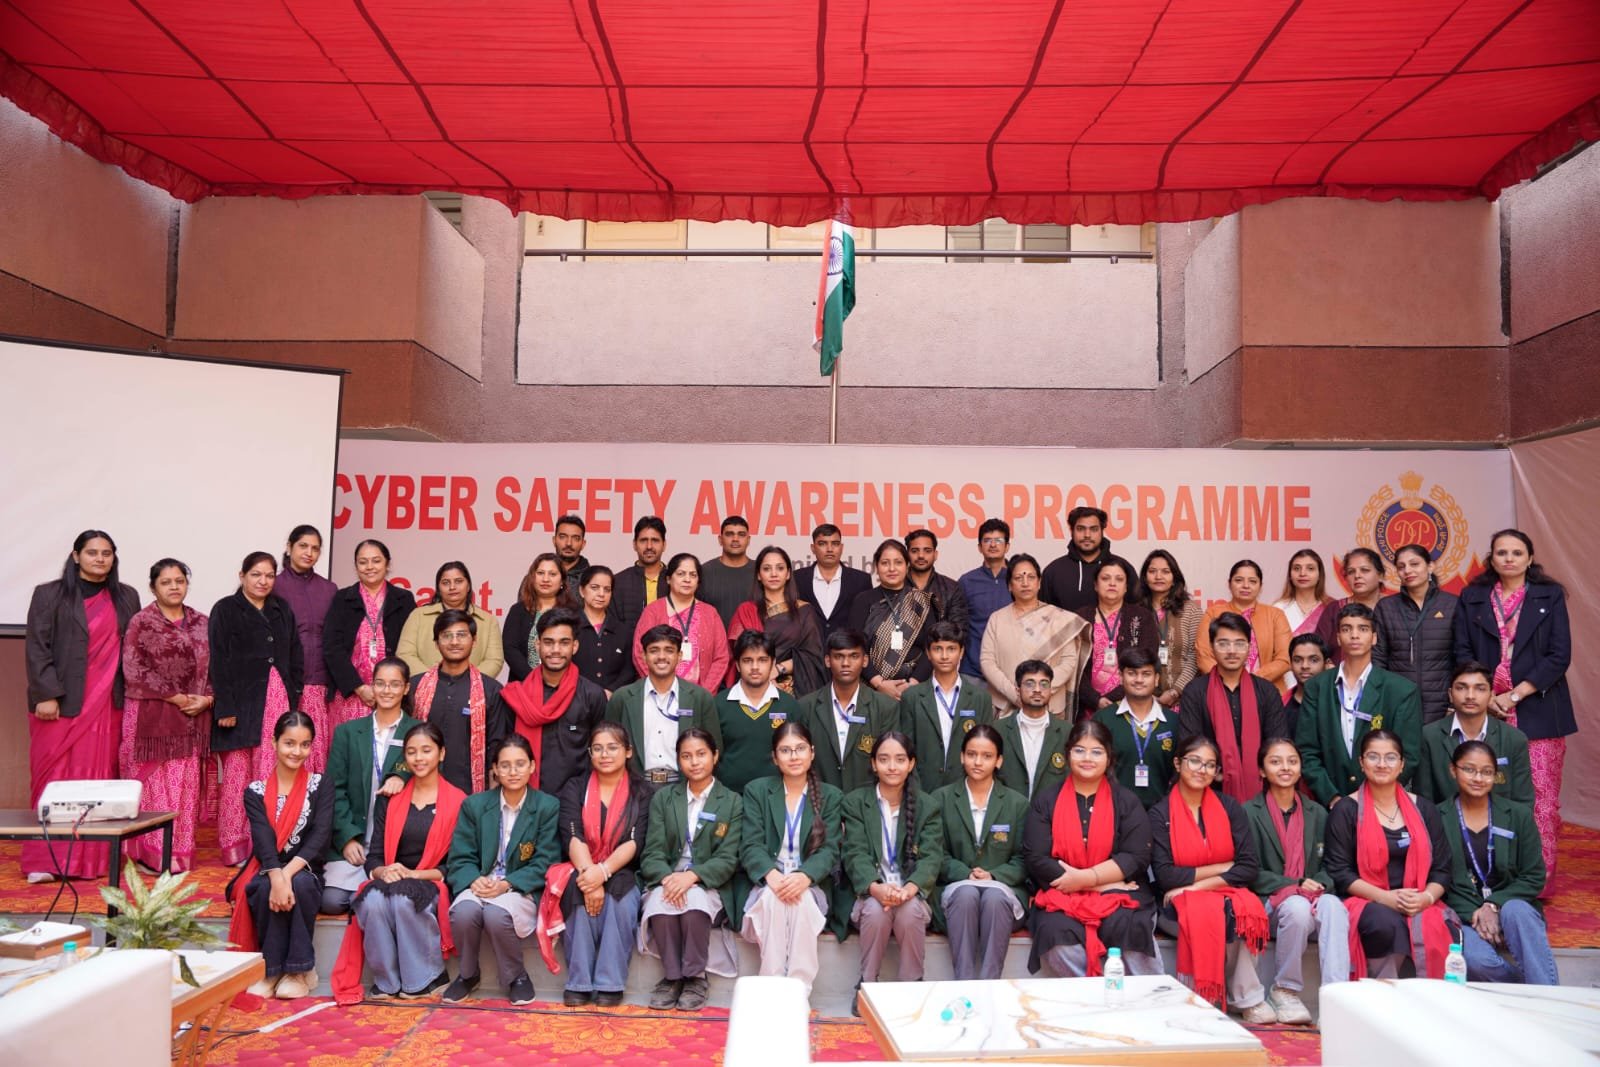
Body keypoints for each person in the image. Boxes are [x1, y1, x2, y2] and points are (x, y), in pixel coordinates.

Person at [1452, 528, 1572, 881]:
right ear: (1491, 559)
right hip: (1483, 708)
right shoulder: (1473, 597)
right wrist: (1485, 694)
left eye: (1516, 553)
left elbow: (1559, 655)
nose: (1508, 559)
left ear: (1530, 558)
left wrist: (1515, 694)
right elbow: (1461, 649)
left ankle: (1537, 877)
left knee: (1541, 799)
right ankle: (1491, 875)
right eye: (1501, 552)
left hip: (1538, 707)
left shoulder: (1549, 595)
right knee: (1489, 791)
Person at [24, 529, 140, 881]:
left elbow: (134, 650)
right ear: (76, 556)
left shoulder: (126, 597)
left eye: (106, 553)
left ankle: (92, 862)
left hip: (108, 703)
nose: (100, 559)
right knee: (54, 780)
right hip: (59, 703)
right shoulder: (49, 594)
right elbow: (37, 647)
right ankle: (46, 861)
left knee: (98, 781)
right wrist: (45, 694)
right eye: (92, 552)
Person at [330, 720, 466, 1002]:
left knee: (404, 900)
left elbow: (456, 865)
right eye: (412, 752)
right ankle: (387, 980)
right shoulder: (391, 798)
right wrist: (383, 871)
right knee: (372, 900)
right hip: (392, 876)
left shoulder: (458, 801)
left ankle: (428, 976)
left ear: (441, 753)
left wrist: (413, 875)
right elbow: (374, 856)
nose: (419, 758)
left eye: (426, 750)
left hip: (430, 880)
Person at [1022, 719, 1159, 978]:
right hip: (1062, 893)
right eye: (1079, 750)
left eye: (1096, 752)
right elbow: (1036, 857)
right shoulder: (1047, 800)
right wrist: (1098, 885)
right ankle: (1093, 991)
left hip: (1118, 895)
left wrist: (1086, 879)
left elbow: (1137, 856)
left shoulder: (1126, 801)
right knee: (1054, 932)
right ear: (1067, 754)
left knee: (1130, 924)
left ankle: (1148, 995)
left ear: (1109, 758)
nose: (1087, 758)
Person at [1150, 736, 1273, 1021]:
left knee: (1242, 911)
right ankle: (1212, 994)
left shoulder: (1229, 808)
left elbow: (1248, 867)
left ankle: (1247, 997)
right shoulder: (1160, 813)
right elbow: (1166, 875)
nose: (1201, 770)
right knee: (1221, 911)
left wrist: (1196, 886)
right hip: (1175, 905)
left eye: (1209, 765)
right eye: (1194, 761)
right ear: (1178, 763)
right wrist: (1223, 867)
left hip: (1215, 894)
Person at [1323, 730, 1456, 979]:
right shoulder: (1346, 810)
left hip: (1418, 898)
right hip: (1366, 899)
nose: (1382, 764)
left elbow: (1442, 868)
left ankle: (1431, 996)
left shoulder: (1424, 809)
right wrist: (1386, 898)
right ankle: (1385, 989)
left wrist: (1426, 898)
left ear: (1402, 764)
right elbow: (1340, 872)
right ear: (1361, 762)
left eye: (1391, 757)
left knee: (1438, 924)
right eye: (1373, 756)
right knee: (1386, 922)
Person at [443, 735, 561, 1004]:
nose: (513, 771)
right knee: (464, 911)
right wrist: (473, 879)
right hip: (481, 883)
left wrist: (507, 884)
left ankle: (516, 976)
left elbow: (546, 861)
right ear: (494, 769)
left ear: (532, 766)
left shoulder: (546, 806)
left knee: (496, 914)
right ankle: (468, 974)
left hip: (519, 887)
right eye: (505, 765)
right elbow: (459, 856)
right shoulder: (475, 805)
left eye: (520, 764)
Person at [227, 710, 332, 999]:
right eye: (289, 743)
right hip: (267, 866)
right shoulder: (255, 791)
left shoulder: (321, 785)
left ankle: (298, 971)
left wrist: (285, 875)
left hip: (305, 867)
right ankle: (271, 971)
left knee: (301, 885)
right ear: (274, 743)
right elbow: (262, 839)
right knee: (262, 889)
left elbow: (320, 836)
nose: (297, 752)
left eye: (304, 744)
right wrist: (276, 876)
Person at [1244, 738, 1348, 1025]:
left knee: (1335, 907)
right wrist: (1295, 884)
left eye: (1292, 761)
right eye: (1275, 762)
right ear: (1262, 770)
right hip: (1270, 904)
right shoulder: (1248, 812)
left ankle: (1337, 996)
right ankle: (1284, 989)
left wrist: (1318, 884)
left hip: (1312, 897)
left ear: (1301, 768)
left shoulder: (1318, 812)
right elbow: (1249, 870)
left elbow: (1333, 865)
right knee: (1296, 907)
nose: (1285, 767)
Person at [638, 729, 744, 1010]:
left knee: (694, 903)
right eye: (686, 756)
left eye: (701, 754)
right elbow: (652, 852)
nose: (694, 762)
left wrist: (692, 876)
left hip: (708, 883)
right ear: (678, 761)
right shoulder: (663, 798)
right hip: (668, 878)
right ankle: (672, 977)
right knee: (662, 902)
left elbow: (728, 858)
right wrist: (668, 878)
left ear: (715, 756)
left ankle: (695, 977)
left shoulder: (732, 801)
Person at [211, 551, 305, 867]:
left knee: (270, 776)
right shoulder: (226, 609)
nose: (263, 581)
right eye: (256, 574)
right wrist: (225, 707)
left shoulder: (282, 609)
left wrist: (293, 695)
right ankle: (235, 847)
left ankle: (266, 847)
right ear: (242, 576)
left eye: (269, 575)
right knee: (237, 778)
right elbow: (218, 659)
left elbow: (295, 655)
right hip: (239, 706)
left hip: (277, 702)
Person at [1439, 740, 1558, 985]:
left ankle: (1549, 994)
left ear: (1496, 776)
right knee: (1477, 962)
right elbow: (1438, 879)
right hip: (1465, 915)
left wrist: (1493, 904)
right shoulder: (1437, 816)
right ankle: (1531, 988)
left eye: (1487, 772)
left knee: (1516, 910)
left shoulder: (1518, 815)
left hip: (1513, 909)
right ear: (1453, 770)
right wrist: (1477, 914)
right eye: (1469, 769)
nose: (1478, 778)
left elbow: (1534, 876)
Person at [119, 558, 212, 873]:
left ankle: (177, 855)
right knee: (155, 788)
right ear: (153, 587)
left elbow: (214, 667)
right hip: (151, 718)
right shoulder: (141, 622)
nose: (174, 587)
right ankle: (151, 855)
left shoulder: (201, 622)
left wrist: (207, 700)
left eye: (179, 581)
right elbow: (134, 669)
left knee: (184, 787)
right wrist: (176, 697)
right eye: (166, 582)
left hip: (192, 718)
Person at [739, 722, 845, 995]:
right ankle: (772, 987)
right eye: (785, 750)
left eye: (800, 749)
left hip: (810, 884)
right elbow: (750, 844)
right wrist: (772, 876)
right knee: (775, 899)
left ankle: (798, 990)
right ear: (775, 758)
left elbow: (830, 849)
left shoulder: (831, 796)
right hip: (768, 883)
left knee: (800, 900)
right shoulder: (757, 791)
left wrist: (804, 876)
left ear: (812, 753)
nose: (794, 756)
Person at [553, 722, 650, 1006]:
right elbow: (572, 834)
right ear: (590, 754)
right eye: (597, 749)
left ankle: (610, 982)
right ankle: (579, 982)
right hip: (582, 864)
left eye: (612, 747)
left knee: (621, 898)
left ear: (628, 751)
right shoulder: (576, 786)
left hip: (623, 867)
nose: (604, 754)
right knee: (577, 892)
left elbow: (635, 840)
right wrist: (590, 875)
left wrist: (603, 871)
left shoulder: (642, 791)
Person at [842, 732, 943, 1004]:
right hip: (870, 894)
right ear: (873, 764)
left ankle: (912, 987)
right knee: (876, 911)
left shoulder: (928, 806)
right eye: (884, 759)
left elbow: (932, 857)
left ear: (911, 763)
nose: (892, 767)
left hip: (911, 894)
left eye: (900, 759)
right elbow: (854, 853)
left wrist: (909, 889)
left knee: (909, 911)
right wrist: (875, 888)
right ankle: (867, 986)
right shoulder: (856, 802)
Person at [1296, 603, 1422, 806]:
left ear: (1374, 637)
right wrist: (1332, 798)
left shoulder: (1401, 690)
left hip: (1381, 803)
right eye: (1347, 629)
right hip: (1330, 803)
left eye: (1362, 629)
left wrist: (1373, 798)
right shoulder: (1317, 687)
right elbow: (1307, 751)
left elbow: (1408, 756)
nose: (1354, 635)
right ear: (1338, 638)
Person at [322, 657, 418, 914]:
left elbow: (430, 773)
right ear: (372, 686)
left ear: (406, 688)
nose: (387, 690)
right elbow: (334, 790)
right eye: (380, 683)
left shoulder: (418, 731)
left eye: (395, 684)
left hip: (396, 845)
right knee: (332, 902)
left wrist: (401, 775)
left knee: (380, 898)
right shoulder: (348, 732)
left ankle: (372, 899)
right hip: (356, 841)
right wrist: (346, 838)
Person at [933, 725, 1028, 980]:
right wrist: (965, 874)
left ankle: (989, 985)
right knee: (966, 895)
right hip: (956, 889)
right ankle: (964, 983)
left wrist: (993, 876)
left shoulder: (1017, 803)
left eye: (987, 756)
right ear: (961, 756)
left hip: (1002, 890)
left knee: (994, 898)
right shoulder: (941, 799)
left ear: (999, 761)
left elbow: (1023, 859)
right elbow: (935, 853)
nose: (978, 762)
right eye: (971, 754)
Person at [498, 607, 608, 799]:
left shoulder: (592, 695)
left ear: (575, 646)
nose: (556, 650)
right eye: (549, 642)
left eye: (564, 643)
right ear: (537, 645)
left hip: (575, 801)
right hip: (525, 801)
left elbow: (600, 752)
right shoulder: (518, 697)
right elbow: (504, 749)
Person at [1178, 612, 1287, 803]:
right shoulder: (1195, 691)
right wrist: (1216, 772)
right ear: (1212, 647)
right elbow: (1190, 745)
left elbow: (1278, 744)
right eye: (1223, 643)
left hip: (1261, 793)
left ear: (1249, 647)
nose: (1232, 651)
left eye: (1239, 643)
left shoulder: (1266, 691)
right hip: (1209, 789)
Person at [607, 624, 722, 785]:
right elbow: (609, 746)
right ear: (644, 655)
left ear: (679, 656)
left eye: (669, 650)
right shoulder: (622, 698)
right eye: (654, 650)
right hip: (636, 787)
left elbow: (715, 748)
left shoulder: (700, 698)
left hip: (684, 786)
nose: (661, 656)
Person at [324, 540, 417, 737]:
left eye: (376, 561)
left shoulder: (404, 599)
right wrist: (359, 688)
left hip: (392, 693)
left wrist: (390, 687)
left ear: (387, 563)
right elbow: (332, 648)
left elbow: (410, 646)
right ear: (356, 566)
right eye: (363, 562)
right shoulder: (342, 598)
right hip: (351, 692)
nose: (369, 567)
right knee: (352, 746)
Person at [412, 610, 507, 797]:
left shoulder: (491, 690)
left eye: (461, 635)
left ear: (474, 640)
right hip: (422, 793)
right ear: (436, 643)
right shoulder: (416, 687)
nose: (454, 642)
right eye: (446, 636)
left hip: (472, 794)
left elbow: (496, 745)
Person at [980, 553, 1088, 717]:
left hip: (1050, 706)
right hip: (1006, 704)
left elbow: (1069, 661)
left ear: (1039, 583)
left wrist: (1041, 690)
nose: (1025, 583)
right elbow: (987, 661)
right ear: (1009, 585)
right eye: (1018, 578)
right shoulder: (997, 619)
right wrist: (1015, 694)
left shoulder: (1058, 619)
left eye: (1031, 577)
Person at [798, 628, 902, 793]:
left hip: (868, 802)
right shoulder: (806, 706)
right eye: (838, 656)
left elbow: (891, 759)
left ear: (865, 661)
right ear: (827, 660)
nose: (846, 663)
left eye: (854, 656)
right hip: (820, 800)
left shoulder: (885, 707)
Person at [1417, 662, 1534, 807]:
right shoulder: (1429, 736)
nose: (1470, 696)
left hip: (1500, 820)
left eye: (1480, 689)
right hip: (1445, 820)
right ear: (1450, 695)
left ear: (1491, 696)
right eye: (1461, 688)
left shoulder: (1514, 738)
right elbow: (1424, 801)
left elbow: (1523, 803)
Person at [901, 621, 995, 795]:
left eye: (951, 649)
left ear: (962, 652)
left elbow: (986, 749)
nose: (944, 656)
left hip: (966, 790)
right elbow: (905, 750)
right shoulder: (912, 697)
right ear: (928, 653)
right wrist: (916, 791)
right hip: (923, 790)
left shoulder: (980, 698)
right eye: (938, 649)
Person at [1374, 544, 1460, 725]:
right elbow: (1379, 657)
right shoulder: (1386, 607)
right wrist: (1382, 697)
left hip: (1442, 703)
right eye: (1401, 566)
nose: (1407, 571)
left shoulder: (1452, 604)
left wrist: (1456, 700)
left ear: (1430, 566)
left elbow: (1460, 657)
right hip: (1398, 700)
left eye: (1414, 564)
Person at [725, 545, 827, 695]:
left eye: (780, 568)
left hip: (795, 692)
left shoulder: (804, 611)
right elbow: (738, 655)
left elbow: (813, 656)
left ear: (788, 574)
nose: (774, 574)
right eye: (767, 569)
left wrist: (778, 669)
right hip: (753, 687)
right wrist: (764, 675)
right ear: (759, 575)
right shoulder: (746, 611)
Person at [275, 525, 337, 770]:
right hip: (283, 683)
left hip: (318, 684)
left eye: (315, 548)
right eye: (303, 546)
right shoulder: (273, 585)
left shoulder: (329, 589)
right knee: (283, 749)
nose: (309, 553)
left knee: (314, 753)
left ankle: (311, 796)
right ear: (289, 547)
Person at [847, 539, 938, 696]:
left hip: (914, 689)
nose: (891, 568)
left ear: (907, 566)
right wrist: (879, 683)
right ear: (876, 567)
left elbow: (931, 647)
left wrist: (913, 684)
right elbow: (855, 647)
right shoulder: (863, 600)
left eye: (898, 562)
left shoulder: (920, 601)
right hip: (871, 688)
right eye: (885, 563)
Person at [717, 631, 804, 794]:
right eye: (747, 660)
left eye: (762, 660)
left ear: (773, 663)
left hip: (778, 798)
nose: (755, 667)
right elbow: (711, 756)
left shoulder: (789, 706)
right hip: (730, 799)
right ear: (737, 665)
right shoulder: (719, 704)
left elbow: (799, 757)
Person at [631, 552, 731, 693]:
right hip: (659, 694)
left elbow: (721, 657)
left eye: (693, 575)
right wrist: (660, 688)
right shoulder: (653, 611)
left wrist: (704, 694)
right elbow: (639, 652)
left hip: (700, 696)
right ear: (668, 579)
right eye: (681, 574)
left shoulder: (710, 613)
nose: (687, 579)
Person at [1094, 650, 1177, 809]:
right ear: (1121, 677)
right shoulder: (1103, 719)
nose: (1139, 680)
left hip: (1161, 813)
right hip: (1113, 811)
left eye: (1146, 674)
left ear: (1157, 679)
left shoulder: (1173, 722)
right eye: (1132, 673)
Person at [1077, 559, 1160, 715]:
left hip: (1131, 703)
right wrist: (1095, 700)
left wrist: (1112, 698)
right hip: (1088, 706)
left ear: (1126, 586)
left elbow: (1147, 660)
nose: (1112, 583)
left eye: (1119, 579)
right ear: (1095, 585)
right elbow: (1073, 666)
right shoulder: (1080, 617)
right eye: (1105, 578)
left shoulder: (1141, 616)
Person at [396, 561, 505, 679]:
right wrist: (431, 680)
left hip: (474, 687)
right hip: (424, 686)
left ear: (468, 586)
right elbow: (405, 654)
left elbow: (494, 660)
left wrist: (469, 682)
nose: (452, 587)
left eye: (458, 581)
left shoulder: (488, 621)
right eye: (446, 583)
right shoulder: (418, 616)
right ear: (438, 588)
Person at [1196, 560, 1293, 692]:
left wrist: (1252, 681)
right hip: (1221, 690)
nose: (1246, 586)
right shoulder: (1213, 613)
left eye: (1252, 581)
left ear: (1260, 586)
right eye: (1239, 580)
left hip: (1267, 690)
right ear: (1229, 584)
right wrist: (1228, 682)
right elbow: (1203, 656)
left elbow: (1285, 658)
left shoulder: (1275, 615)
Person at [995, 661, 1071, 801]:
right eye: (1030, 684)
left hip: (1051, 812)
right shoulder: (997, 730)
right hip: (1008, 810)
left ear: (1050, 689)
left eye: (1044, 684)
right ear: (1018, 690)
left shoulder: (1068, 733)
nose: (1037, 690)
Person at [1040, 506, 1132, 614]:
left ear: (1102, 531)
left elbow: (1137, 613)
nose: (1087, 535)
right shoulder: (1053, 571)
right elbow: (1042, 616)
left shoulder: (1122, 568)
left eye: (1094, 529)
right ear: (1071, 530)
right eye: (1080, 529)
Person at [503, 552, 577, 683]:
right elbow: (510, 649)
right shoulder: (518, 610)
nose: (545, 579)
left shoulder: (574, 612)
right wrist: (534, 680)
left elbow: (578, 651)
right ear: (532, 577)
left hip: (564, 685)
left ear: (562, 580)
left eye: (552, 574)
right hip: (523, 684)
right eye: (540, 573)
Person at [1138, 550, 1198, 710]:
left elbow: (1195, 655)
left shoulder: (1191, 610)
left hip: (1184, 699)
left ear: (1174, 578)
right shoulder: (1136, 612)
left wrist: (1175, 691)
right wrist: (1143, 693)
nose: (1158, 576)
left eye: (1165, 571)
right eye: (1152, 571)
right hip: (1141, 699)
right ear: (1145, 577)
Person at [794, 523, 872, 642]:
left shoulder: (861, 580)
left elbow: (867, 623)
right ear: (813, 548)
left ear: (841, 547)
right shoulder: (797, 578)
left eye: (835, 543)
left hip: (847, 650)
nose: (829, 549)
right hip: (807, 650)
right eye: (822, 543)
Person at [958, 519, 1013, 680]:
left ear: (1007, 546)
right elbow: (958, 625)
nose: (993, 545)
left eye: (998, 540)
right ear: (979, 547)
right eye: (987, 540)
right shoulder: (966, 581)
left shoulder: (1018, 580)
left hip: (1010, 671)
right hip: (973, 671)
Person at [1315, 549, 1389, 666]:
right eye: (1351, 572)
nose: (1357, 576)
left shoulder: (1395, 609)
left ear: (1380, 575)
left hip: (1388, 676)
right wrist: (1327, 667)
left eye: (1364, 570)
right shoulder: (1334, 609)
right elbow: (1316, 650)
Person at [571, 564, 635, 695]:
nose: (601, 594)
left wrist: (611, 691)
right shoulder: (569, 626)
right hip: (576, 697)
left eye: (607, 590)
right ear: (582, 591)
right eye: (594, 588)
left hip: (614, 699)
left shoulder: (623, 630)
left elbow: (629, 670)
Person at [905, 529, 971, 646]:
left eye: (927, 551)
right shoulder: (896, 586)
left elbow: (959, 632)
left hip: (940, 654)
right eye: (915, 551)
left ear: (935, 555)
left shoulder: (951, 588)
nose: (921, 555)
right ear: (907, 554)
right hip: (901, 656)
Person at [610, 515, 668, 637]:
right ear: (634, 544)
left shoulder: (675, 582)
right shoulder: (618, 582)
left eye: (655, 540)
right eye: (643, 540)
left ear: (664, 545)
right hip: (628, 649)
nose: (649, 546)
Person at [1273, 549, 1335, 660]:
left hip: (1324, 670)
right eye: (1297, 568)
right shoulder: (1278, 608)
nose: (1302, 573)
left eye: (1310, 568)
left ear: (1319, 575)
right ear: (1290, 575)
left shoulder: (1331, 608)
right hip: (1287, 669)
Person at [699, 515, 756, 627]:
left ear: (748, 540)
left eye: (741, 534)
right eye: (729, 534)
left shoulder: (760, 571)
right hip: (712, 638)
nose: (735, 539)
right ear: (720, 540)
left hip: (754, 638)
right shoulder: (704, 572)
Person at [1282, 634, 1331, 738]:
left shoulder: (1338, 703)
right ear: (1290, 664)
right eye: (1297, 660)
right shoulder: (1280, 706)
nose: (1305, 666)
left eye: (1313, 660)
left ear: (1326, 664)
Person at [553, 514, 591, 602]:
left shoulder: (591, 580)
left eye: (576, 538)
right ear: (554, 540)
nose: (569, 543)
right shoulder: (538, 577)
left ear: (583, 544)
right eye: (563, 537)